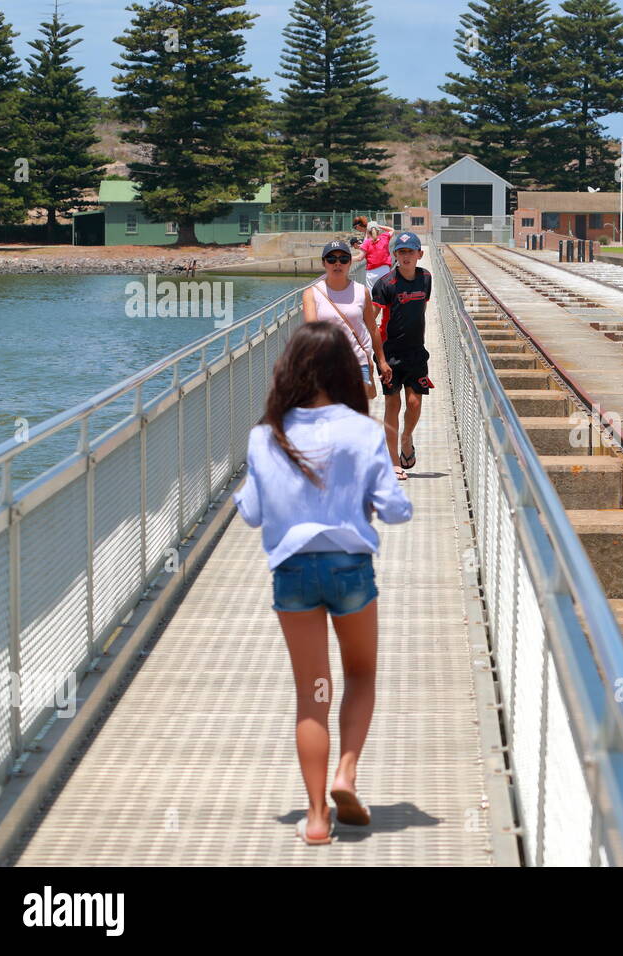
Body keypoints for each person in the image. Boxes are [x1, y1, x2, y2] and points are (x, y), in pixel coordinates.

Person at [233, 322, 412, 845]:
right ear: (342, 372)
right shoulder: (363, 430)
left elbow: (250, 512)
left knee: (312, 694)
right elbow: (395, 510)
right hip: (349, 567)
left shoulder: (266, 434)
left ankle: (314, 818)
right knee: (360, 674)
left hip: (292, 572)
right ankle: (346, 774)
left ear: (290, 369)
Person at [371, 231, 432, 479]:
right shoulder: (385, 284)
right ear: (394, 255)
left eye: (410, 252)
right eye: (401, 252)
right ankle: (394, 460)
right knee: (393, 404)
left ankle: (407, 438)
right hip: (390, 354)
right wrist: (380, 359)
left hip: (417, 352)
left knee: (415, 402)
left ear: (420, 254)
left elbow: (421, 311)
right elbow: (372, 322)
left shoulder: (426, 278)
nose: (406, 257)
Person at [303, 240, 391, 401]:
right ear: (324, 263)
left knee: (355, 416)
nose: (338, 264)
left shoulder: (361, 291)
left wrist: (382, 362)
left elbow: (372, 329)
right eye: (332, 260)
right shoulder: (311, 293)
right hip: (326, 364)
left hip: (358, 363)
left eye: (343, 259)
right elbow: (312, 333)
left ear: (350, 262)